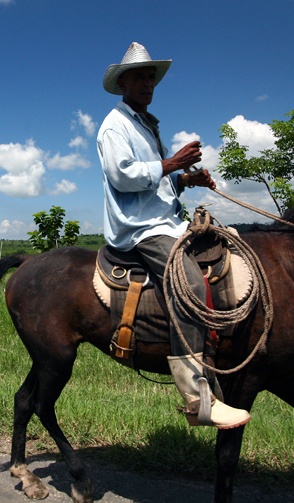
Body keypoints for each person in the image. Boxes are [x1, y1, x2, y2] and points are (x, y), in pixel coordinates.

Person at [96, 42, 250, 429]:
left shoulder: (147, 123)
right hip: (141, 230)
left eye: (152, 77)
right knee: (190, 282)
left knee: (228, 245)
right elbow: (123, 176)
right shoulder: (114, 125)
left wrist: (184, 179)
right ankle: (198, 398)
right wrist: (171, 163)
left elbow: (157, 185)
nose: (148, 83)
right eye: (140, 77)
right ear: (123, 82)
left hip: (167, 220)